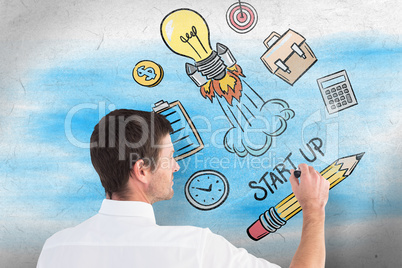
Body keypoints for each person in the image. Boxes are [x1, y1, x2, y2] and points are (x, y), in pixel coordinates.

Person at [37, 109, 329, 268]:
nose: (176, 166)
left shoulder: (56, 248)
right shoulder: (193, 248)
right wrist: (313, 210)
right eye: (169, 158)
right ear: (142, 170)